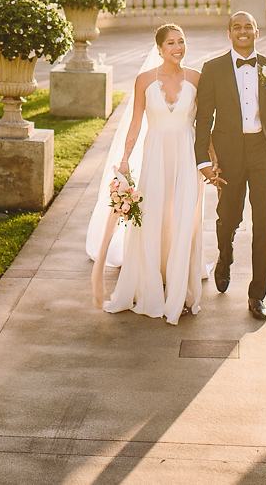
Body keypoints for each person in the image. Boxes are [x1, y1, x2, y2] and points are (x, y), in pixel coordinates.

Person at [92, 22, 205, 324]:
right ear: (159, 48)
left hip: (187, 155)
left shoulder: (196, 78)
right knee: (154, 217)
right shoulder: (143, 80)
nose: (178, 48)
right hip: (155, 156)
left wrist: (211, 160)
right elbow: (136, 123)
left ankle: (180, 290)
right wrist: (126, 158)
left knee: (182, 219)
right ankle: (153, 285)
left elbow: (205, 124)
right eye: (170, 43)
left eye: (181, 41)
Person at [194, 11, 266, 321]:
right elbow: (203, 118)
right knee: (228, 217)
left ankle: (257, 295)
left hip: (264, 153)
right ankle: (225, 256)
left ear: (256, 32)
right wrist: (204, 160)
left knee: (265, 222)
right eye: (237, 27)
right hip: (229, 153)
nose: (243, 31)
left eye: (248, 26)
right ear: (229, 33)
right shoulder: (213, 69)